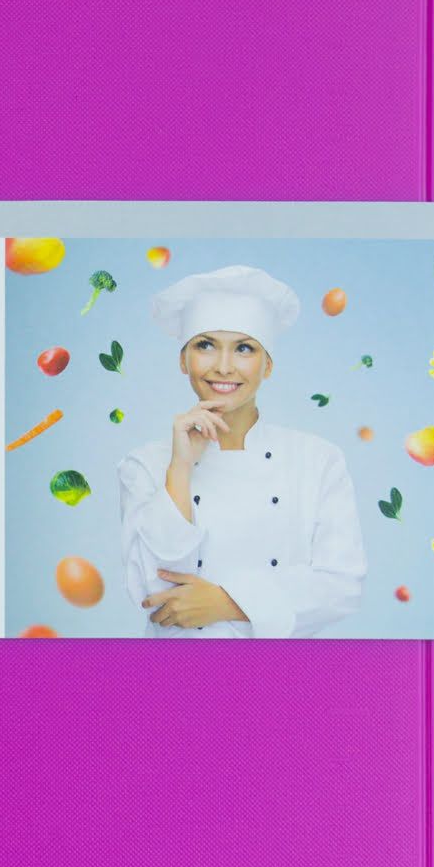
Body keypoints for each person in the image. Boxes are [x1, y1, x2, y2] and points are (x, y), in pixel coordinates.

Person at [118, 265, 365, 637]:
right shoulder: (145, 465)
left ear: (268, 365)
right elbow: (153, 593)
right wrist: (180, 468)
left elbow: (341, 586)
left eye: (244, 349)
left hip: (279, 667)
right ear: (183, 360)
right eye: (205, 345)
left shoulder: (317, 460)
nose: (223, 367)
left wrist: (228, 602)